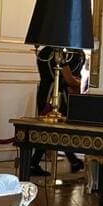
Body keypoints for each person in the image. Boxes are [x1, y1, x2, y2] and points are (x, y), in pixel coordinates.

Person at [29, 47, 85, 176]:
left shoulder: (44, 52)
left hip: (45, 92)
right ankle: (33, 163)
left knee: (50, 130)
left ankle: (73, 161)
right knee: (56, 130)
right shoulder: (71, 54)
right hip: (57, 96)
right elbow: (69, 79)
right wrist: (84, 85)